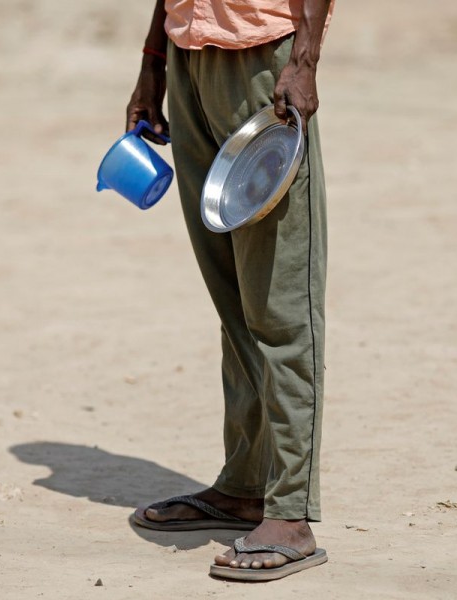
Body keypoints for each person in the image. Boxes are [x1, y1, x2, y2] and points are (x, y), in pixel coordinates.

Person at [125, 0, 334, 582]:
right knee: (233, 298)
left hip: (265, 67)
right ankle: (244, 487)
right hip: (189, 61)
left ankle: (290, 514)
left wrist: (305, 59)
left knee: (280, 305)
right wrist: (153, 63)